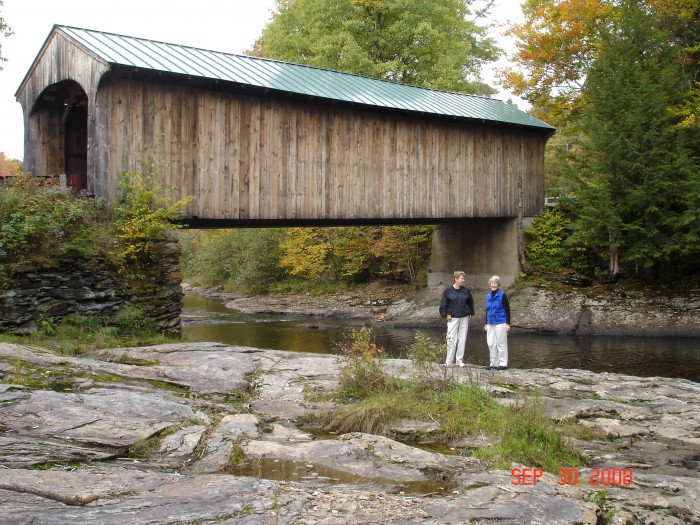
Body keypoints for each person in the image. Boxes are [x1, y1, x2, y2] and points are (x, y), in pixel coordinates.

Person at [439, 271, 474, 367]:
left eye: (463, 278)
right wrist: (446, 315)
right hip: (452, 317)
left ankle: (459, 360)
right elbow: (443, 305)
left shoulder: (466, 291)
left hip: (464, 317)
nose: (463, 280)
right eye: (462, 278)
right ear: (456, 279)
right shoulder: (448, 291)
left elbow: (470, 302)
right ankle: (449, 361)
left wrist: (470, 312)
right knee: (451, 339)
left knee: (462, 339)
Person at [484, 275, 511, 370]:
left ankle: (503, 363)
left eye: (495, 283)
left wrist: (508, 323)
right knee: (491, 343)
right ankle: (493, 363)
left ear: (498, 284)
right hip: (490, 322)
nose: (493, 285)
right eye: (491, 283)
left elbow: (507, 309)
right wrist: (486, 323)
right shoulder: (488, 296)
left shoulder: (502, 295)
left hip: (501, 321)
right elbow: (487, 310)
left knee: (501, 343)